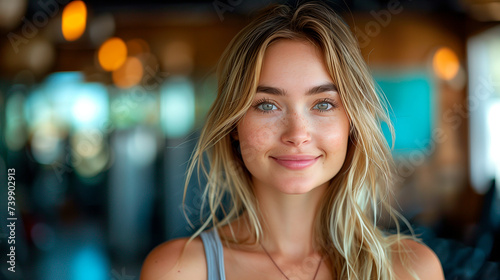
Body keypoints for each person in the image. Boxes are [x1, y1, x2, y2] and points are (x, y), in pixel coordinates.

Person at [141, 2, 444, 279]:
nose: (297, 135)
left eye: (323, 104)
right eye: (267, 105)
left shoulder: (412, 269)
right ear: (234, 123)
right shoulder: (179, 270)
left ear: (352, 122)